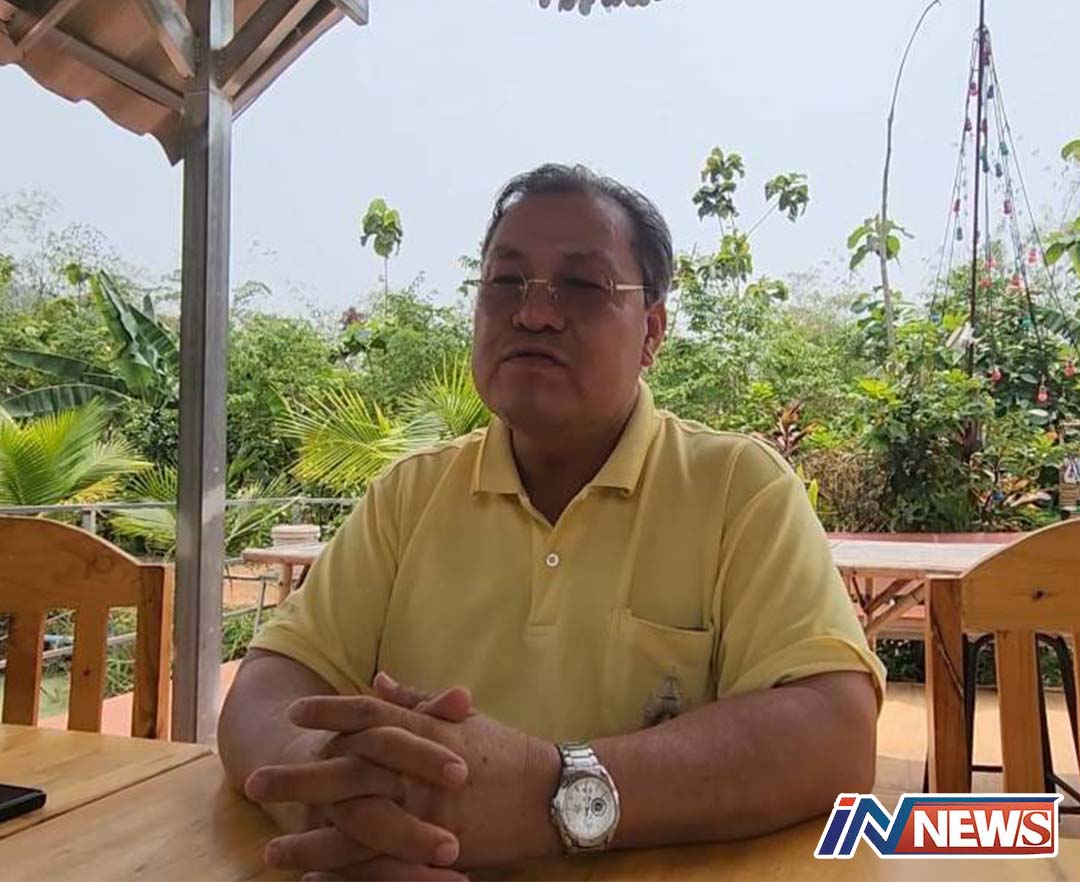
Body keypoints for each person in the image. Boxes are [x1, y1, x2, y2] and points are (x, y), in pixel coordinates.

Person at [218, 164, 885, 881]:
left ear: (652, 331)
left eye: (583, 286)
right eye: (506, 282)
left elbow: (835, 731)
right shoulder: (409, 495)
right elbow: (270, 684)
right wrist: (331, 794)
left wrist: (555, 791)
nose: (533, 313)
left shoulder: (737, 489)